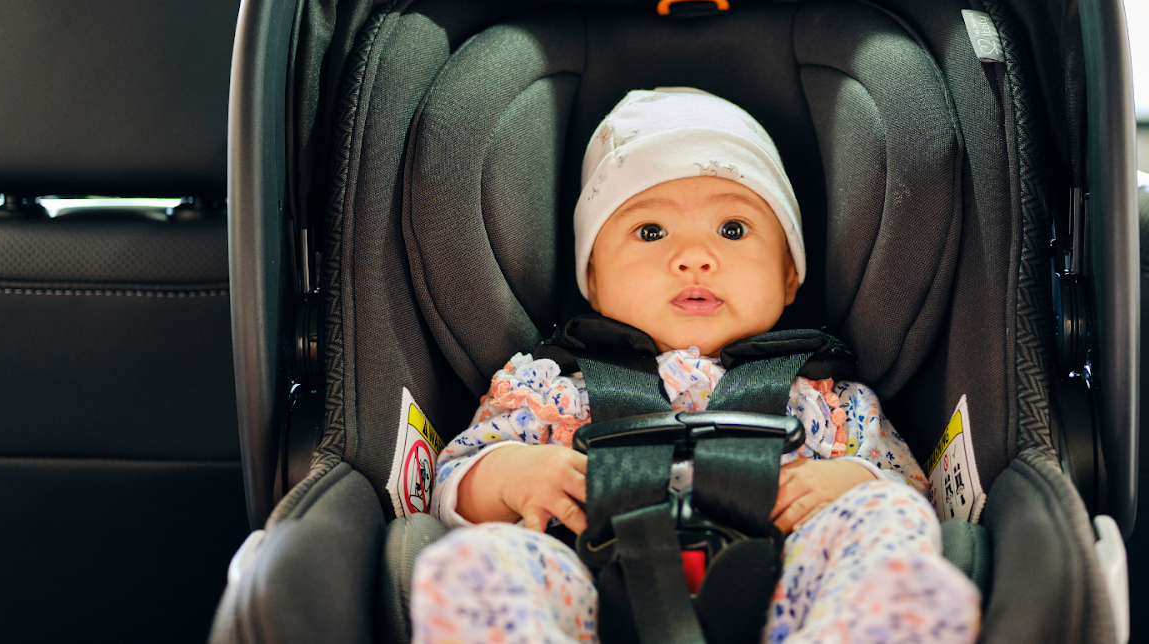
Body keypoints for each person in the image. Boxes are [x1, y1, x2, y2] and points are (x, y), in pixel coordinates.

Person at [410, 88, 980, 644]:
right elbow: (450, 484)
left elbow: (910, 493)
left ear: (788, 274)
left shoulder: (831, 400)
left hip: (789, 592)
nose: (693, 257)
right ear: (592, 280)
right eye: (650, 231)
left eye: (732, 229)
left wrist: (850, 482)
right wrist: (511, 476)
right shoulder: (549, 390)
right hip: (586, 584)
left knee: (885, 520)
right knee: (480, 561)